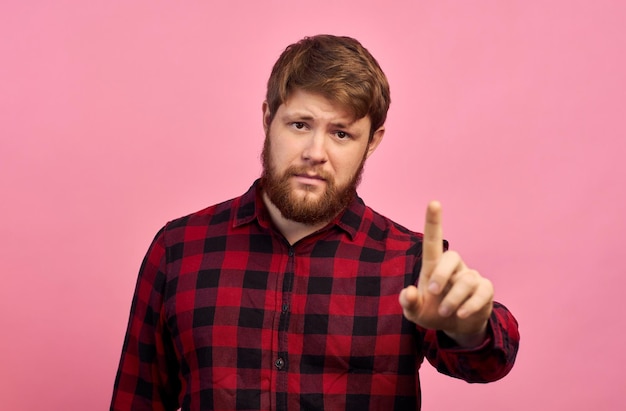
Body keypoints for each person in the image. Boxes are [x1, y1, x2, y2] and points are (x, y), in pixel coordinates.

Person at [111, 34, 519, 410]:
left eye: (341, 134)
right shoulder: (179, 248)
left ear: (372, 141)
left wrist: (469, 329)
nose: (315, 152)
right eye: (300, 125)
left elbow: (487, 363)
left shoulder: (411, 262)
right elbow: (137, 399)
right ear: (269, 117)